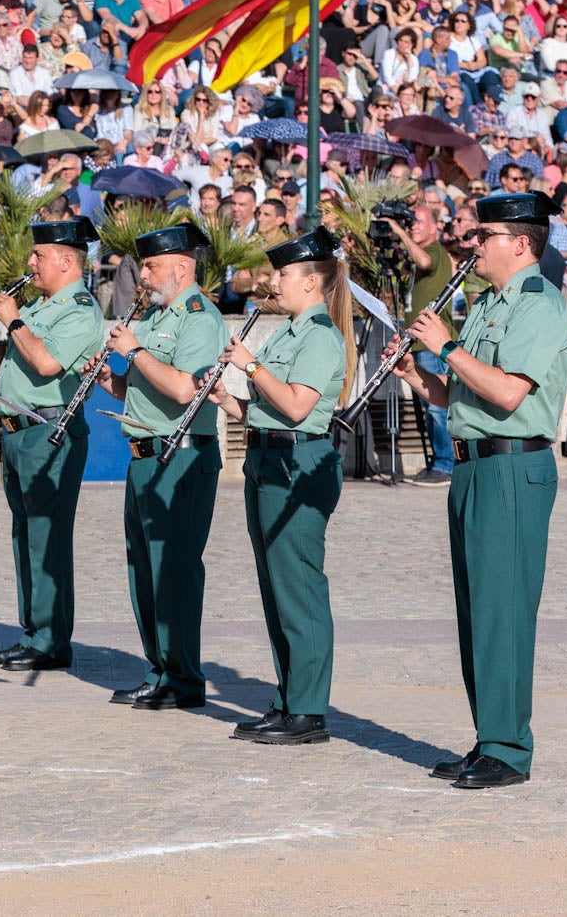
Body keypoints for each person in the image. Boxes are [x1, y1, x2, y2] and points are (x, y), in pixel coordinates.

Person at [395, 191, 567, 789]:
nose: (473, 245)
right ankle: (489, 736)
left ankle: (509, 747)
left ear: (520, 242)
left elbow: (507, 394)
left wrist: (446, 344)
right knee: (477, 612)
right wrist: (419, 375)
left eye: (484, 235)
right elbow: (463, 397)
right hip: (475, 465)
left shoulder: (539, 304)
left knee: (503, 611)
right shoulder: (489, 303)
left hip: (513, 469)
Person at [209, 228, 355, 746]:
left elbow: (296, 406)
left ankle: (309, 710)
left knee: (299, 588)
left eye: (284, 273)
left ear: (313, 282)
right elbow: (272, 408)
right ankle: (290, 697)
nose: (276, 281)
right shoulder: (291, 332)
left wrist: (249, 363)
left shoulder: (319, 335)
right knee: (276, 590)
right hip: (268, 457)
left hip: (298, 464)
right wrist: (230, 401)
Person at [92, 224, 228, 711]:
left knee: (175, 571)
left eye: (149, 266)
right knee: (144, 572)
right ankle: (160, 668)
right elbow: (142, 390)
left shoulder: (199, 317)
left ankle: (184, 677)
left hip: (182, 455)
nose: (142, 276)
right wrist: (111, 378)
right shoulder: (154, 318)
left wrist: (133, 350)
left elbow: (184, 389)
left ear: (182, 266)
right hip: (145, 456)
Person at [0, 218, 104, 672]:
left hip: (50, 431)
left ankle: (51, 638)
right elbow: (7, 360)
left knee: (47, 537)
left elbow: (47, 363)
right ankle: (33, 629)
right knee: (25, 535)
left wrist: (12, 320)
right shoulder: (40, 307)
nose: (30, 263)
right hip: (17, 430)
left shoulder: (80, 309)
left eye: (39, 256)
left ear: (67, 261)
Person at [386, 199, 457, 485]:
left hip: (433, 341)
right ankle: (439, 462)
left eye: (418, 222)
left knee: (438, 408)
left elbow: (424, 261)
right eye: (410, 222)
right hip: (418, 341)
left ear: (434, 227)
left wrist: (400, 232)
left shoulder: (435, 251)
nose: (413, 226)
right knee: (430, 407)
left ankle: (445, 465)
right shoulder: (419, 254)